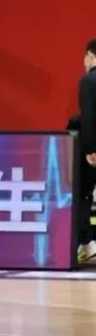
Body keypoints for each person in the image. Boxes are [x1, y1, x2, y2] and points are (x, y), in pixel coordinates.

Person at [76, 39, 96, 262]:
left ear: (91, 56)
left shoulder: (88, 81)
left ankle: (87, 242)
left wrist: (91, 149)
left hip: (93, 151)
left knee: (82, 193)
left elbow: (89, 118)